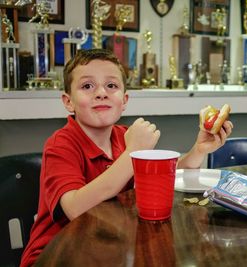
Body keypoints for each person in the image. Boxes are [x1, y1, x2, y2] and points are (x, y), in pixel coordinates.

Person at [20, 49, 233, 266]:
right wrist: (132, 152)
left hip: (108, 249)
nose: (101, 93)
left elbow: (168, 174)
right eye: (87, 86)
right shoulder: (61, 145)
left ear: (124, 100)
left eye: (111, 86)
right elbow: (75, 208)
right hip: (56, 255)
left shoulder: (125, 136)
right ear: (68, 102)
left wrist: (198, 150)